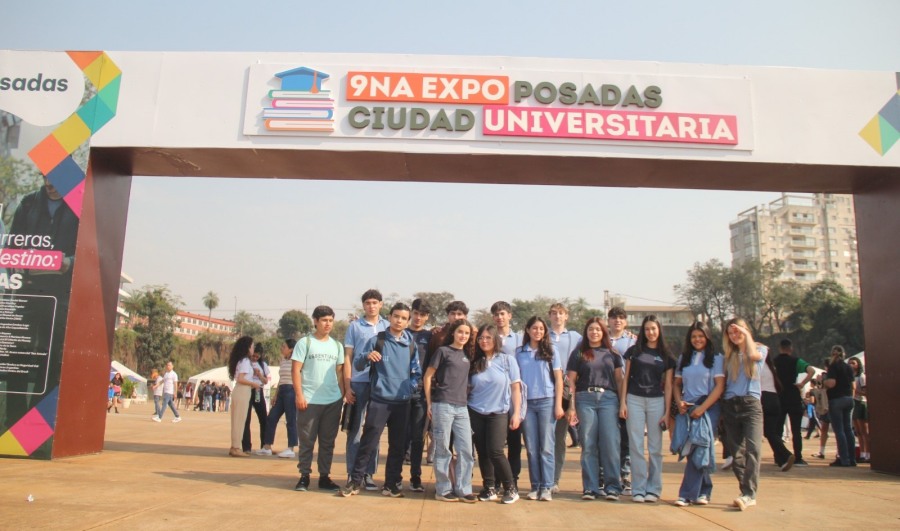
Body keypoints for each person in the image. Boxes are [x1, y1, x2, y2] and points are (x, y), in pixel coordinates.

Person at [342, 302, 422, 498]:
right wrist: (368, 356)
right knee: (368, 442)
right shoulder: (377, 340)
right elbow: (358, 364)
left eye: (404, 318)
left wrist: (407, 389)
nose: (399, 320)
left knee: (397, 446)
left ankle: (391, 484)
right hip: (379, 400)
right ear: (390, 317)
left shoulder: (410, 344)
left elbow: (416, 373)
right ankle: (355, 481)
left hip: (401, 402)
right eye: (396, 316)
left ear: (407, 320)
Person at [566, 317, 624, 501]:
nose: (594, 332)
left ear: (603, 332)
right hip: (585, 399)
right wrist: (572, 406)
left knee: (610, 444)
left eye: (598, 329)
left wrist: (623, 403)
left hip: (608, 399)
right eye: (591, 329)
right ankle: (590, 487)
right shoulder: (578, 354)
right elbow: (571, 382)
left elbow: (620, 381)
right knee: (588, 444)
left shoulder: (612, 353)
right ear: (586, 332)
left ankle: (613, 486)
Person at [619, 314, 675, 504]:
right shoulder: (634, 351)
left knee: (655, 448)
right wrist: (623, 403)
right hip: (634, 399)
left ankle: (654, 488)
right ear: (643, 331)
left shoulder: (666, 355)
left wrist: (667, 412)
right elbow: (625, 378)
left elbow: (668, 386)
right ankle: (638, 488)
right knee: (635, 445)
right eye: (647, 329)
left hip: (656, 401)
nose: (651, 332)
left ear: (659, 330)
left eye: (654, 328)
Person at [293, 306, 346, 491]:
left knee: (327, 442)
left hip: (332, 401)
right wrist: (299, 394)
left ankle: (324, 476)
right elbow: (296, 370)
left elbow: (340, 373)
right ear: (315, 321)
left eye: (331, 320)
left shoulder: (337, 346)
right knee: (307, 441)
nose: (327, 324)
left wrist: (342, 396)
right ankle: (304, 476)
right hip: (309, 400)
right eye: (324, 320)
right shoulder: (305, 343)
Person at [672, 322, 725, 507]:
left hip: (708, 408)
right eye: (694, 336)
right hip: (688, 407)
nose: (697, 339)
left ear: (708, 337)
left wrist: (703, 408)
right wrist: (679, 402)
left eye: (701, 336)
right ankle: (704, 491)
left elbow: (719, 386)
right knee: (695, 451)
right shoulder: (684, 358)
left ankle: (686, 494)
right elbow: (676, 384)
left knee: (698, 447)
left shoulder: (717, 359)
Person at [425, 318, 477, 503]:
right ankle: (443, 489)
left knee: (465, 450)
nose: (463, 336)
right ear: (453, 333)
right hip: (443, 404)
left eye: (467, 333)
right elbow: (428, 376)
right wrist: (429, 403)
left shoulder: (468, 355)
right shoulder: (442, 351)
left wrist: (475, 329)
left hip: (462, 407)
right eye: (460, 332)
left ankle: (463, 489)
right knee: (443, 448)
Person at [469, 324, 522, 504]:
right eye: (481, 338)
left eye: (488, 338)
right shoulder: (474, 361)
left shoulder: (507, 360)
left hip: (499, 412)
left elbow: (516, 388)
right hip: (476, 411)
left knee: (495, 451)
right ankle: (489, 487)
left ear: (495, 340)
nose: (484, 341)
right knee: (482, 451)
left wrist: (516, 414)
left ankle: (510, 488)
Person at [343, 289, 390, 490]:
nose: (371, 306)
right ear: (363, 305)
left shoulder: (387, 326)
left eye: (375, 302)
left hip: (378, 382)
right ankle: (353, 474)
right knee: (354, 430)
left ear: (381, 304)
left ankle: (369, 473)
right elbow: (348, 357)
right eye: (368, 302)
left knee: (374, 430)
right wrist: (347, 386)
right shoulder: (355, 327)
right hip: (358, 382)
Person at [515, 316, 564, 502]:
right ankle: (535, 486)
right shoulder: (519, 353)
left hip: (547, 402)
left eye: (541, 329)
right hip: (527, 405)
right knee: (532, 448)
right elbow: (516, 382)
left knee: (547, 447)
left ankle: (547, 486)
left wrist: (558, 404)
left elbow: (559, 379)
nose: (538, 332)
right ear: (527, 330)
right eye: (534, 328)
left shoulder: (551, 351)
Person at [720, 318, 765, 511]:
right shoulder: (728, 355)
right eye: (731, 333)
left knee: (753, 449)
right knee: (736, 453)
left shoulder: (760, 349)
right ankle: (746, 491)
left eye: (738, 331)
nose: (735, 335)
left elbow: (754, 356)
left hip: (751, 404)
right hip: (731, 405)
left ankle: (749, 493)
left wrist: (745, 334)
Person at [547, 302, 582, 493]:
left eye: (561, 313)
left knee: (559, 438)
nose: (557, 317)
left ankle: (554, 479)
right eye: (554, 313)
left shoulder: (576, 337)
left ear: (566, 316)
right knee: (544, 439)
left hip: (567, 392)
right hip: (545, 391)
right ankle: (543, 477)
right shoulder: (543, 335)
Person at [490, 301, 525, 489]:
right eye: (496, 314)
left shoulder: (519, 339)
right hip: (493, 396)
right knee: (495, 444)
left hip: (513, 394)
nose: (499, 317)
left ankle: (513, 479)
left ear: (510, 316)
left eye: (502, 313)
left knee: (513, 442)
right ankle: (496, 480)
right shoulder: (488, 337)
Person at [607, 306, 636, 494]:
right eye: (614, 317)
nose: (617, 321)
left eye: (621, 318)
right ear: (608, 320)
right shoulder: (602, 339)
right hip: (607, 392)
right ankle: (607, 475)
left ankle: (625, 474)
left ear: (625, 321)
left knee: (626, 437)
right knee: (609, 437)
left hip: (627, 393)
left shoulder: (633, 341)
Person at [405, 298, 433, 492]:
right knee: (398, 438)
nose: (418, 318)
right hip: (399, 392)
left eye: (422, 315)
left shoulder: (430, 337)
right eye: (415, 313)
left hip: (421, 393)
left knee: (417, 438)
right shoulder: (400, 334)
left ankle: (415, 476)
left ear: (427, 317)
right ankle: (394, 477)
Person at [774, 338, 815, 467]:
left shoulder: (773, 362)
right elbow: (812, 371)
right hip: (793, 395)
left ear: (779, 348)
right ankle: (798, 457)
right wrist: (802, 383)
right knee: (796, 430)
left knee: (778, 429)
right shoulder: (796, 361)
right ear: (790, 349)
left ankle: (779, 457)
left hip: (779, 396)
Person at [256, 338, 300, 458]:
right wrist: (276, 395)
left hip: (291, 390)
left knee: (290, 420)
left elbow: (299, 377)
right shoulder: (283, 361)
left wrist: (299, 394)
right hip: (282, 391)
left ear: (291, 349)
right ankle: (267, 447)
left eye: (284, 347)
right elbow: (281, 379)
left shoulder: (296, 361)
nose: (282, 348)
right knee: (271, 417)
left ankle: (291, 448)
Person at [761, 349, 795, 471]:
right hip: (775, 399)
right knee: (771, 432)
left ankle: (785, 454)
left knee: (760, 431)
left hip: (763, 398)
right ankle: (783, 460)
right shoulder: (771, 368)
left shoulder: (759, 367)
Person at [824, 345, 856, 467]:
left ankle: (844, 459)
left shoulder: (833, 366)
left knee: (839, 430)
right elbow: (853, 386)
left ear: (832, 354)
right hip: (849, 398)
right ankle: (852, 458)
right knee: (848, 429)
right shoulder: (848, 367)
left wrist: (824, 382)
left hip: (837, 399)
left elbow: (832, 383)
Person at [228, 336, 259, 457]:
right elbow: (241, 378)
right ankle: (236, 447)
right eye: (252, 346)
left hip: (239, 390)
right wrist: (254, 384)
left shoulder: (241, 360)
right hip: (243, 391)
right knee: (240, 420)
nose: (253, 349)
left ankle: (234, 446)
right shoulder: (246, 361)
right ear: (247, 347)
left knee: (236, 420)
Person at [242, 344, 269, 452]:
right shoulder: (246, 363)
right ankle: (246, 446)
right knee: (246, 419)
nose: (254, 358)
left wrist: (259, 375)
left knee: (263, 418)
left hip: (258, 391)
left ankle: (264, 445)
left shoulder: (262, 365)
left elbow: (266, 381)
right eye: (253, 356)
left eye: (257, 357)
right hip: (248, 390)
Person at [848, 356, 869, 463]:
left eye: (853, 363)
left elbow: (866, 392)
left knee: (864, 431)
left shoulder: (861, 377)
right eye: (850, 363)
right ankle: (862, 453)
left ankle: (868, 455)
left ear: (858, 364)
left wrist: (856, 391)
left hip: (861, 402)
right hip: (853, 403)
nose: (851, 365)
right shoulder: (850, 376)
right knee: (858, 431)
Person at [809, 373, 831, 459]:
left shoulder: (831, 385)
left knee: (837, 430)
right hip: (824, 408)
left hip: (831, 407)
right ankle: (821, 452)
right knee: (824, 429)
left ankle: (839, 453)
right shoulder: (821, 388)